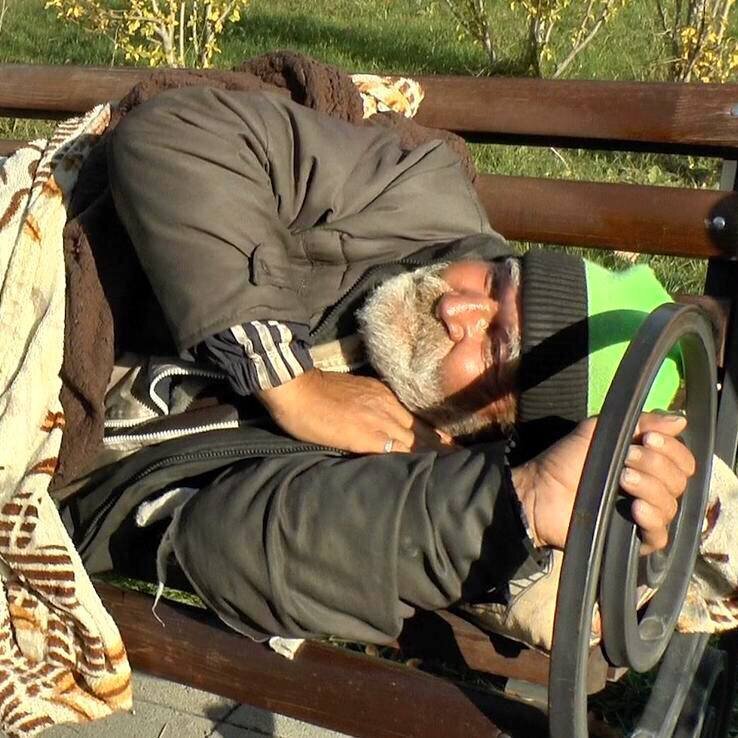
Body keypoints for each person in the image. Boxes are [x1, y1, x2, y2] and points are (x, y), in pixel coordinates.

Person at [83, 84, 694, 643]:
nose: (456, 305)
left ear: (494, 430)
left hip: (64, 471)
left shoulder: (427, 481)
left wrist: (519, 503)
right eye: (496, 279)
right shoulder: (415, 197)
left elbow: (223, 545)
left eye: (494, 345)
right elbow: (177, 133)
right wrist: (288, 381)